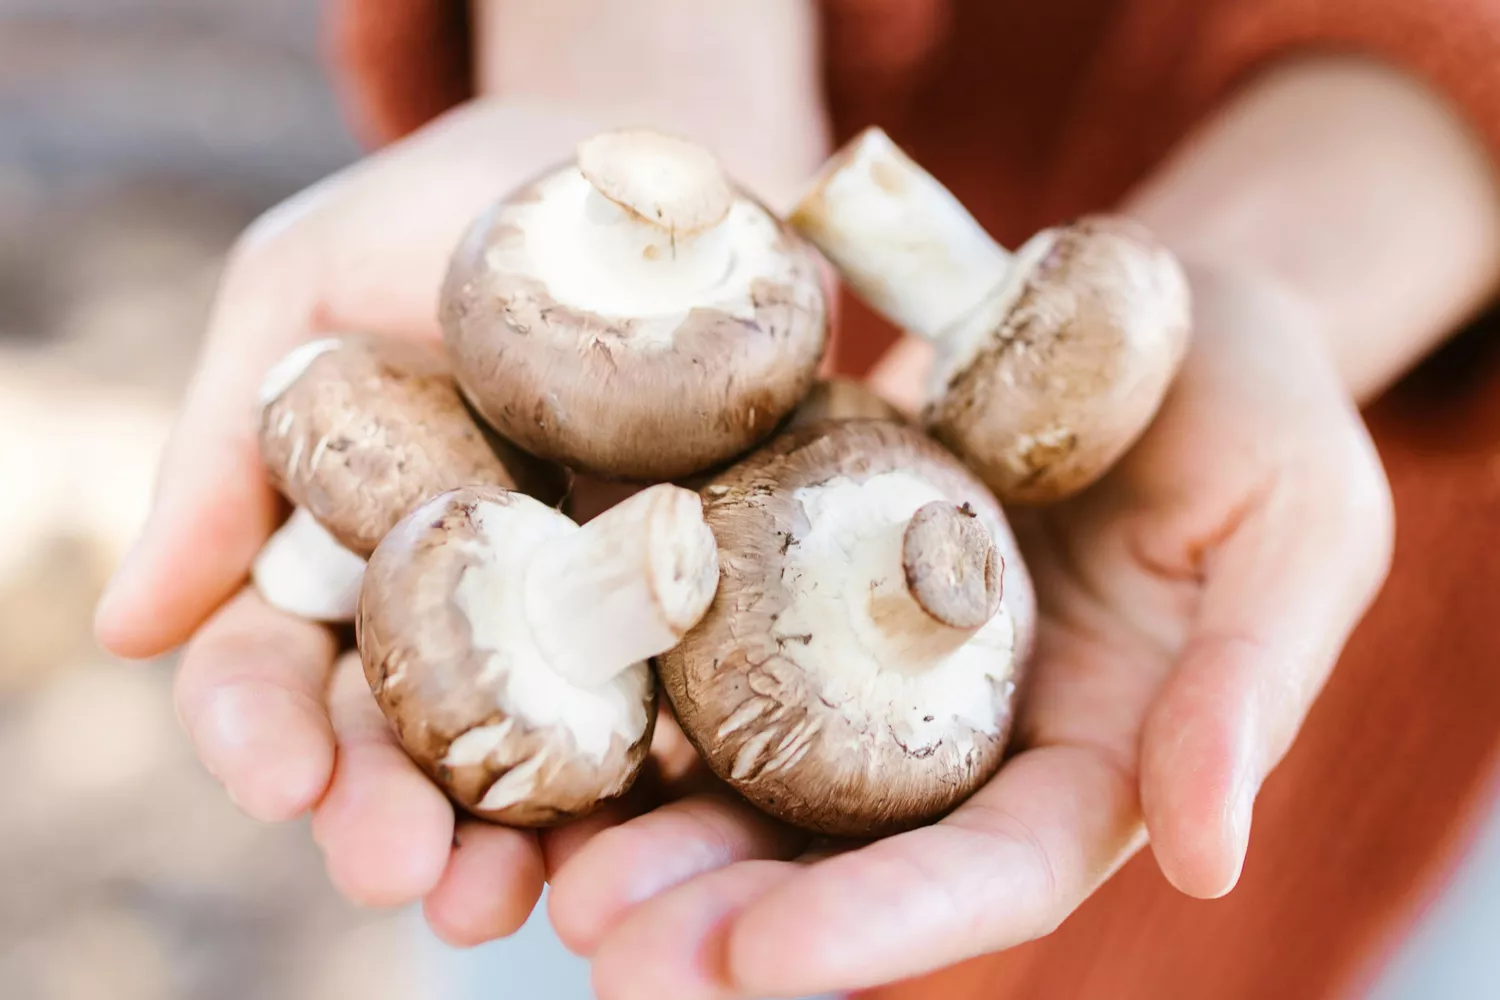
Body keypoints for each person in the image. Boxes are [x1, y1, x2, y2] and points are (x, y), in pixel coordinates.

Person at [94, 1, 1500, 998]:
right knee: (594, 924)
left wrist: (1281, 291)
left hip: (1426, 683)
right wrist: (636, 64)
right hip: (607, 807)